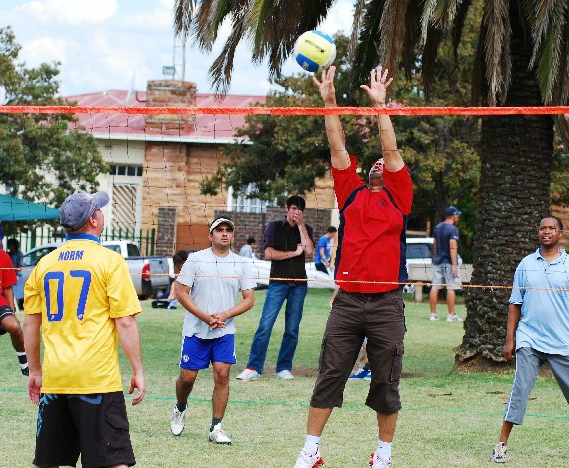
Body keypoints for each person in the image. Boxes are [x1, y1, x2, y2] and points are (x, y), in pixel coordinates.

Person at [293, 65, 413, 468]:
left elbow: (391, 150)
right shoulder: (351, 193)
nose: (380, 163)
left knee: (386, 382)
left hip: (386, 303)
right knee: (329, 375)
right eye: (374, 162)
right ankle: (310, 451)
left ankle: (383, 455)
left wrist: (380, 107)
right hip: (347, 302)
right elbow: (337, 148)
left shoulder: (399, 196)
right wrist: (329, 101)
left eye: (385, 162)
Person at [22, 191, 146, 467]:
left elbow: (30, 323)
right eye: (99, 209)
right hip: (97, 378)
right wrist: (138, 370)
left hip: (56, 378)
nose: (102, 213)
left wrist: (35, 371)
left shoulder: (44, 264)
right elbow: (125, 321)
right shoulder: (110, 261)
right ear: (93, 220)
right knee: (113, 461)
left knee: (48, 461)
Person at [490, 216, 569, 465]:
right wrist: (510, 339)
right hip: (529, 338)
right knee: (519, 389)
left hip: (562, 342)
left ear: (560, 233)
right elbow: (515, 304)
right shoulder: (526, 264)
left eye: (551, 228)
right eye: (542, 228)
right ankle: (501, 445)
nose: (546, 231)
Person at [170, 216, 256, 444]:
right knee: (187, 378)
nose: (224, 233)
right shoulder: (196, 260)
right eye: (219, 230)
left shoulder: (241, 263)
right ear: (211, 236)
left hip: (224, 330)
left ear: (232, 235)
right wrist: (205, 317)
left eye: (228, 230)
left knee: (222, 374)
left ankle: (216, 427)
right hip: (196, 329)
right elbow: (181, 293)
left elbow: (249, 299)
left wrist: (225, 315)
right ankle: (180, 407)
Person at [236, 195, 314, 381]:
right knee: (265, 325)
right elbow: (269, 253)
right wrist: (294, 253)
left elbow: (309, 251)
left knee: (292, 329)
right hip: (278, 283)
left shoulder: (306, 229)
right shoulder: (274, 227)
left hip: (299, 285)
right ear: (287, 209)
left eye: (300, 210)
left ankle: (284, 368)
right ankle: (253, 367)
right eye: (294, 208)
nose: (296, 212)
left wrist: (301, 226)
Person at [0, 212, 28, 375]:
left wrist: (12, 310)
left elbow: (7, 288)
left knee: (14, 326)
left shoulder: (2, 256)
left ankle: (25, 363)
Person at [429, 206, 462, 321]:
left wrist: (436, 257)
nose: (458, 217)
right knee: (451, 288)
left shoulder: (437, 227)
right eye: (457, 215)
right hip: (448, 262)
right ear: (453, 216)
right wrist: (454, 265)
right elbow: (452, 248)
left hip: (437, 261)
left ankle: (433, 315)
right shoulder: (453, 229)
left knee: (435, 287)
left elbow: (435, 245)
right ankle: (451, 315)